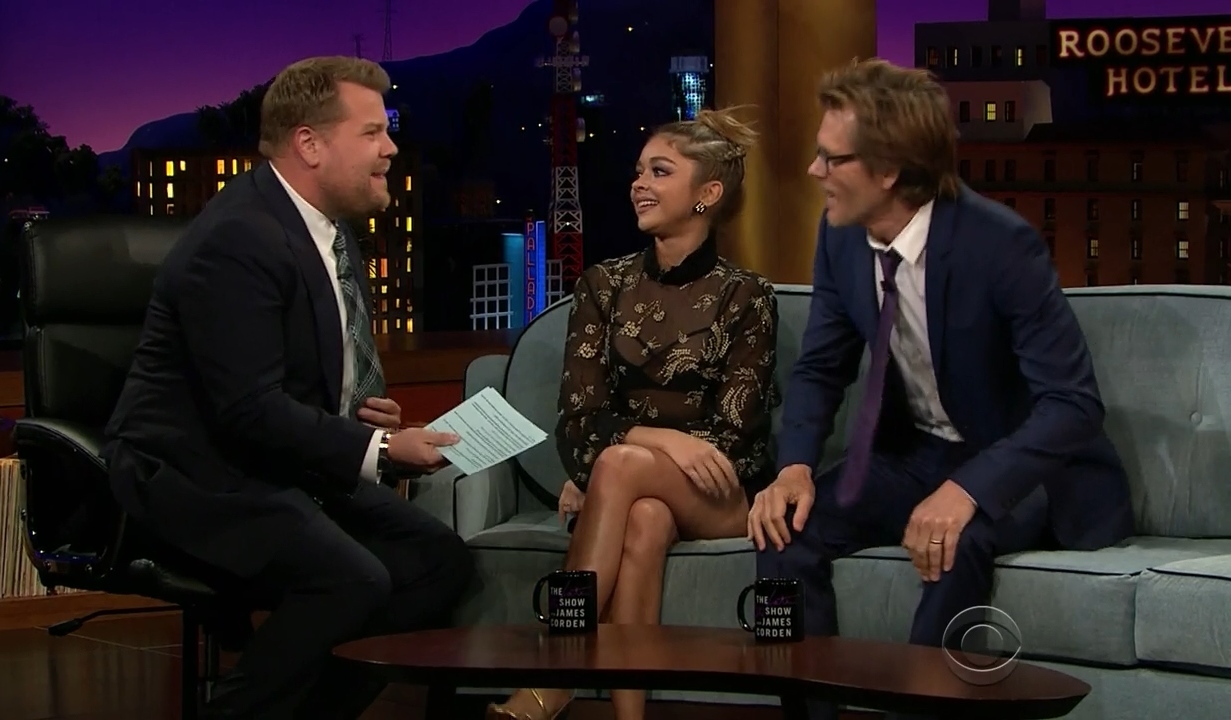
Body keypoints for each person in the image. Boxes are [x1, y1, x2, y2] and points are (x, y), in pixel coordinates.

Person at [747, 59, 1135, 720]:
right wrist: (794, 468)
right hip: (918, 455)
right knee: (784, 532)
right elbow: (820, 368)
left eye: (831, 158)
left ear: (888, 171)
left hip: (1017, 464)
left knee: (955, 539)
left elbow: (1072, 404)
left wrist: (969, 490)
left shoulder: (999, 244)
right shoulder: (841, 238)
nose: (814, 171)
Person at [102, 56, 474, 720]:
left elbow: (296, 378)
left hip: (276, 459)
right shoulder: (239, 238)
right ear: (309, 144)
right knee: (351, 579)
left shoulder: (327, 229)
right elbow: (247, 409)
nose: (391, 148)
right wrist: (379, 450)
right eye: (372, 132)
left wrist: (356, 413)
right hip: (194, 474)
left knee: (436, 559)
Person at [486, 108, 780, 720]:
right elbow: (578, 419)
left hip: (723, 491)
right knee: (643, 519)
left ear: (707, 194)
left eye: (660, 172)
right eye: (639, 171)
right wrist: (658, 444)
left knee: (619, 468)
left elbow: (734, 435)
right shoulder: (604, 285)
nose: (639, 184)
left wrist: (618, 464)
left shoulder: (746, 295)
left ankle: (556, 673)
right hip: (641, 481)